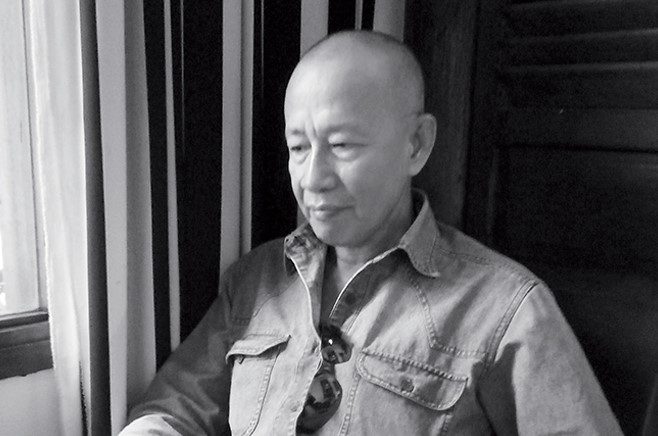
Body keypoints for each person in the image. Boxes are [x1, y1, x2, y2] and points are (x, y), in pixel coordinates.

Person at [120, 30, 622, 435]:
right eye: (298, 148)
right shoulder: (257, 280)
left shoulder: (504, 309)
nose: (313, 178)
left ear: (416, 144)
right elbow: (175, 409)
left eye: (342, 146)